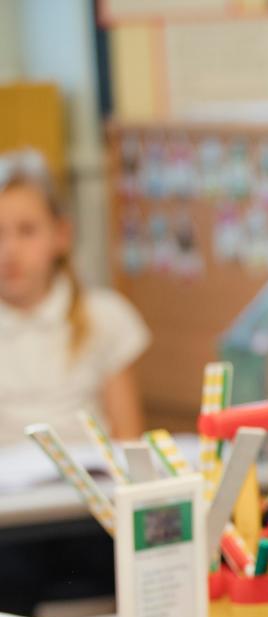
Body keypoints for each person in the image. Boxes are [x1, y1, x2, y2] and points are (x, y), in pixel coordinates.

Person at [0, 149, 148, 447]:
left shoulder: (105, 317)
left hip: (91, 489)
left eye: (27, 231)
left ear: (61, 234)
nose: (10, 250)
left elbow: (130, 441)